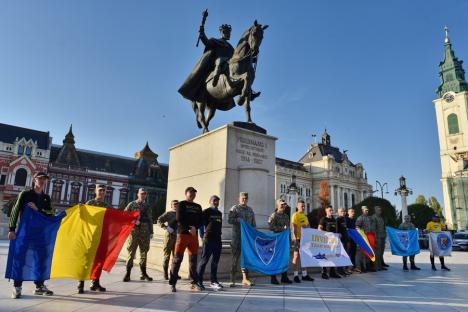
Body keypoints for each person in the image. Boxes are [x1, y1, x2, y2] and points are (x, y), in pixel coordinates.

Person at [8, 172, 55, 299]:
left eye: (44, 179)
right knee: (20, 258)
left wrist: (37, 209)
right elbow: (15, 210)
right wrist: (12, 229)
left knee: (41, 258)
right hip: (25, 232)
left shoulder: (46, 197)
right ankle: (17, 287)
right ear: (34, 180)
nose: (42, 181)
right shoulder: (25, 194)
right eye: (39, 179)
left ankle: (39, 286)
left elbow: (50, 213)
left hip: (39, 233)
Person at [78, 184, 112, 293]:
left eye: (103, 190)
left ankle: (95, 282)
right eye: (100, 190)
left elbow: (113, 217)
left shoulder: (107, 205)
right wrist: (80, 210)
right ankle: (81, 283)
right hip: (91, 236)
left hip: (102, 235)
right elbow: (84, 219)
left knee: (99, 260)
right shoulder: (90, 203)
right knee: (86, 259)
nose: (102, 192)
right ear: (95, 191)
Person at [169, 187, 203, 292]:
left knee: (193, 260)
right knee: (177, 259)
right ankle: (173, 283)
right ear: (186, 193)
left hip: (193, 236)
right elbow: (179, 218)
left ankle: (194, 282)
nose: (193, 194)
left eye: (194, 193)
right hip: (182, 235)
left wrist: (195, 228)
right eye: (191, 192)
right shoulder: (181, 204)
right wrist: (189, 228)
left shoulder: (198, 206)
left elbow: (200, 220)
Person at [123, 188, 154, 282]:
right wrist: (133, 221)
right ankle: (128, 274)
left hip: (145, 232)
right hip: (134, 232)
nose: (143, 195)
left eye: (145, 194)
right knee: (131, 252)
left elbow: (150, 219)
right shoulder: (131, 204)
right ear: (138, 194)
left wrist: (151, 232)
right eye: (141, 193)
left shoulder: (147, 206)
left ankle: (143, 273)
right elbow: (124, 215)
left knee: (144, 253)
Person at [228, 192, 256, 287]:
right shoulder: (235, 208)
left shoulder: (250, 210)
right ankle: (232, 279)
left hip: (247, 240)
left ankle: (245, 279)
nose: (244, 200)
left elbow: (253, 225)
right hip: (237, 238)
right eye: (242, 198)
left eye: (246, 198)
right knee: (235, 259)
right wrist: (237, 220)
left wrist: (254, 236)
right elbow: (229, 220)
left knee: (246, 259)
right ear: (239, 199)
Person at [197, 195, 224, 290]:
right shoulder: (206, 211)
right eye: (214, 200)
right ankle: (199, 281)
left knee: (215, 261)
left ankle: (213, 281)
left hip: (218, 239)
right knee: (204, 261)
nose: (216, 202)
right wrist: (202, 236)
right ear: (210, 202)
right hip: (208, 239)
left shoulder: (220, 213)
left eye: (217, 201)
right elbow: (201, 225)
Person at [267, 199, 292, 284]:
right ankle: (273, 277)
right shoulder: (274, 215)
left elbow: (288, 230)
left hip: (284, 242)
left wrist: (289, 241)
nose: (283, 206)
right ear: (277, 205)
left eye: (284, 205)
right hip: (276, 240)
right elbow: (271, 227)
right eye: (281, 205)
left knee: (284, 258)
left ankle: (284, 277)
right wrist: (282, 229)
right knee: (275, 258)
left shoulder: (286, 216)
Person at [291, 200, 314, 283]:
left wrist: (307, 228)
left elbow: (308, 226)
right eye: (301, 206)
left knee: (304, 257)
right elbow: (294, 227)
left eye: (304, 206)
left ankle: (304, 275)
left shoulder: (305, 216)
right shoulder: (295, 215)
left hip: (305, 240)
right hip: (298, 239)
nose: (303, 207)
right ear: (297, 206)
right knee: (296, 256)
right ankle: (296, 275)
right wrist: (295, 239)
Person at [318, 206, 341, 279]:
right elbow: (319, 229)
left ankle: (332, 272)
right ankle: (324, 272)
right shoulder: (323, 219)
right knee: (324, 256)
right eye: (329, 210)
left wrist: (338, 234)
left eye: (332, 210)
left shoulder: (334, 219)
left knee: (333, 256)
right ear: (326, 211)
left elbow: (336, 230)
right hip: (325, 241)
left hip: (333, 241)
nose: (331, 211)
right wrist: (328, 233)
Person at [157, 200, 179, 280]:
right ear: (171, 206)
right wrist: (166, 227)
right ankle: (165, 273)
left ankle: (173, 273)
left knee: (175, 257)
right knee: (167, 256)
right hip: (169, 237)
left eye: (177, 204)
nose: (176, 206)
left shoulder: (180, 214)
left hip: (177, 237)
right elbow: (159, 220)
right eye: (174, 204)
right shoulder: (168, 213)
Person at [355, 206, 376, 273]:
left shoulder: (369, 218)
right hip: (362, 237)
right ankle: (360, 267)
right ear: (362, 210)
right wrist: (362, 234)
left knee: (367, 253)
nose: (367, 211)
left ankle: (367, 266)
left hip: (369, 237)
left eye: (367, 210)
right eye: (365, 210)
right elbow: (357, 227)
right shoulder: (360, 218)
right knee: (360, 254)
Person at [372, 206, 387, 271]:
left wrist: (385, 234)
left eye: (380, 210)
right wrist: (375, 237)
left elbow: (383, 227)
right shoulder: (373, 217)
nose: (380, 211)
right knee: (377, 252)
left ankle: (380, 265)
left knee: (381, 252)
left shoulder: (381, 218)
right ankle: (376, 266)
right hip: (377, 237)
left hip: (382, 236)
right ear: (375, 211)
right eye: (378, 210)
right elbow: (373, 228)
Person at [336, 207, 351, 276]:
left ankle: (344, 269)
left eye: (344, 211)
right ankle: (340, 270)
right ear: (338, 212)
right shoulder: (337, 220)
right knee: (341, 256)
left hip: (346, 240)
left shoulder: (345, 219)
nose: (343, 212)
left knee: (345, 255)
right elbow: (336, 231)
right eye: (341, 211)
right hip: (340, 240)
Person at [345, 208, 357, 273]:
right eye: (352, 211)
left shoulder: (355, 220)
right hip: (348, 239)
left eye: (354, 211)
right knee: (348, 253)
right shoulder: (346, 219)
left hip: (354, 239)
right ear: (348, 212)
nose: (353, 213)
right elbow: (345, 228)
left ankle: (353, 267)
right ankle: (347, 267)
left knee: (353, 253)